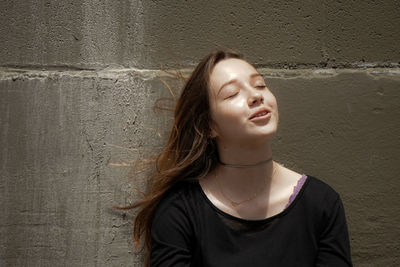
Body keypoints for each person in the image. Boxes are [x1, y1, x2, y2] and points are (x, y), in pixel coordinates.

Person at [130, 49, 353, 266]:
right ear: (209, 126)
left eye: (260, 85)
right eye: (232, 94)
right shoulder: (180, 210)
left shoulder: (321, 203)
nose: (256, 96)